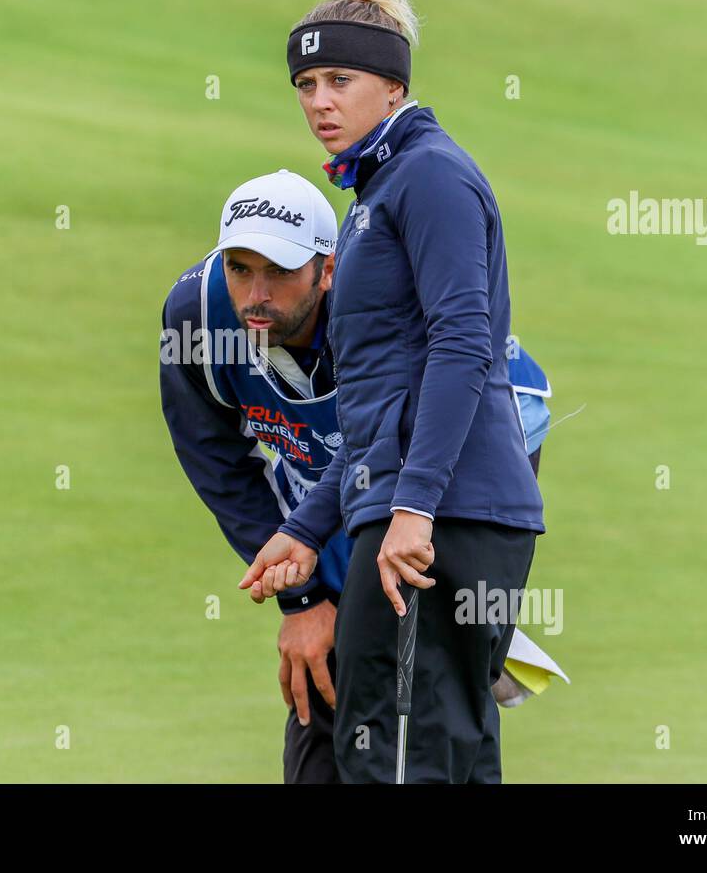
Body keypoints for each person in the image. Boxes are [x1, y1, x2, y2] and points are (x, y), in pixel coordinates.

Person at [242, 0, 547, 783]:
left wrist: (414, 506)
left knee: (396, 745)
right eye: (305, 83)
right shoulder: (376, 191)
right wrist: (306, 530)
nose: (318, 102)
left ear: (394, 85)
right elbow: (383, 408)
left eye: (340, 80)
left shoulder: (431, 174)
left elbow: (463, 344)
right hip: (414, 504)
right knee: (442, 743)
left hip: (443, 509)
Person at [162, 169, 564, 783]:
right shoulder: (199, 315)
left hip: (451, 469)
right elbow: (216, 462)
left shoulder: (382, 303)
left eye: (279, 271)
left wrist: (465, 577)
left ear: (328, 270)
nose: (255, 296)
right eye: (240, 268)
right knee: (333, 691)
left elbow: (447, 423)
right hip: (337, 501)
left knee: (413, 700)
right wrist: (302, 601)